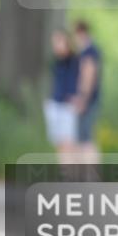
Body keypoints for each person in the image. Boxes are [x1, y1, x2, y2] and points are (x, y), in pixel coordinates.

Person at [44, 30, 79, 165]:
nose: (56, 45)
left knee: (69, 143)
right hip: (55, 104)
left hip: (68, 106)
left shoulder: (74, 60)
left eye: (59, 42)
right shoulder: (56, 61)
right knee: (58, 143)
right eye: (55, 42)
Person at [71, 20, 102, 165]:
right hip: (90, 100)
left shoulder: (89, 52)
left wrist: (82, 99)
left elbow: (88, 77)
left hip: (87, 101)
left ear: (81, 33)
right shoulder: (91, 51)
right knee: (83, 138)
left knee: (86, 139)